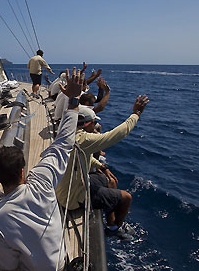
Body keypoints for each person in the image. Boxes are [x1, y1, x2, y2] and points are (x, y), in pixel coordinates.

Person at [0, 67, 84, 270]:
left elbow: (8, 266)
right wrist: (74, 100)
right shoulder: (42, 182)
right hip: (61, 263)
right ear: (22, 171)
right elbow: (64, 143)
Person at [55, 97, 149, 236]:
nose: (97, 125)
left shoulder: (66, 134)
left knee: (111, 180)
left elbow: (84, 156)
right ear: (87, 124)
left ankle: (110, 217)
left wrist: (102, 166)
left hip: (65, 188)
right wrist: (136, 114)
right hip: (73, 199)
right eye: (95, 122)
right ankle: (114, 229)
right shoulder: (83, 140)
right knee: (127, 197)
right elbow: (117, 134)